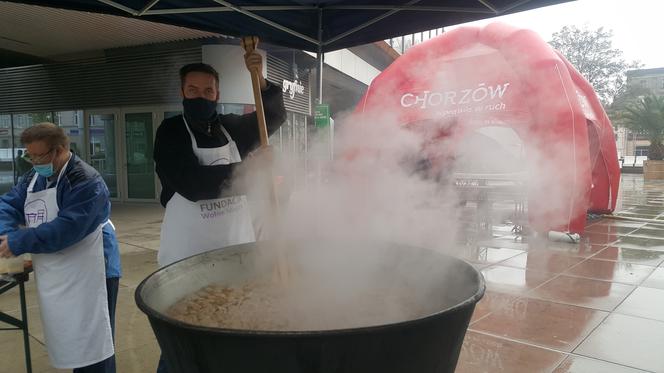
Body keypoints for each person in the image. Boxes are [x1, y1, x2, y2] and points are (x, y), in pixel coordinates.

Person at [0, 123, 121, 373]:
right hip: (58, 269)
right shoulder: (34, 178)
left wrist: (18, 241)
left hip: (93, 270)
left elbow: (67, 228)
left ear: (59, 150)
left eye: (39, 155)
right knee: (73, 340)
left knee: (93, 341)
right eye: (29, 155)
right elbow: (8, 205)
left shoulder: (86, 181)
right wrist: (6, 232)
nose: (33, 161)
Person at [153, 52, 286, 269]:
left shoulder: (231, 127)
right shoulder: (170, 131)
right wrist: (249, 170)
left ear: (217, 95)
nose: (200, 97)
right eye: (192, 90)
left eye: (208, 91)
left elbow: (273, 116)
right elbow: (191, 184)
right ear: (182, 93)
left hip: (234, 244)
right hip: (188, 250)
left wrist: (260, 79)